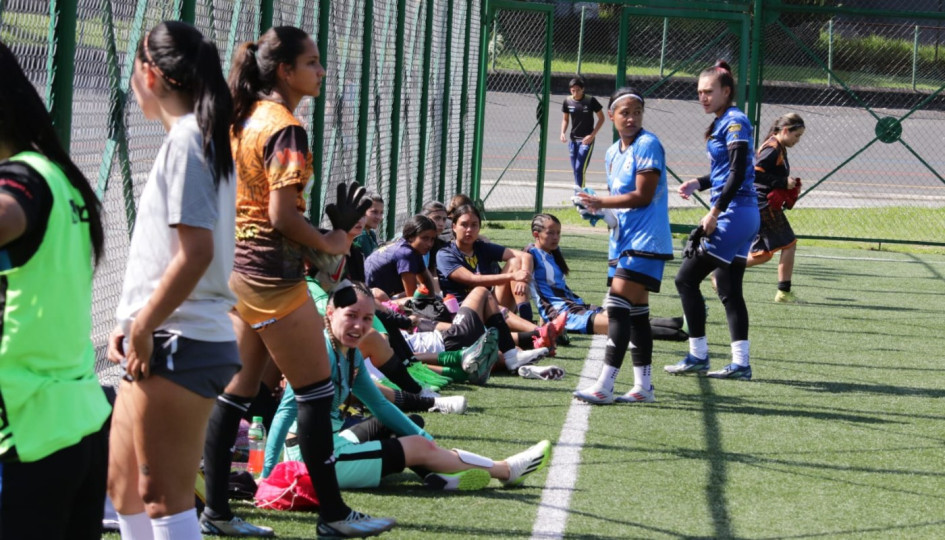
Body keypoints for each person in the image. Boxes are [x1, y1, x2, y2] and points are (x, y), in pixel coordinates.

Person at [199, 26, 393, 538]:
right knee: (315, 392)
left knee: (235, 396)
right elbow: (281, 215)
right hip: (272, 278)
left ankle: (216, 513)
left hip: (239, 271)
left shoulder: (245, 115)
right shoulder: (285, 127)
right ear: (285, 71)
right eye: (311, 62)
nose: (321, 71)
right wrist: (330, 242)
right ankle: (333, 516)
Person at [104, 21, 239, 540]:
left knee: (164, 499)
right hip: (163, 336)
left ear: (150, 75)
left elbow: (196, 254)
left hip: (182, 340)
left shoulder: (188, 141)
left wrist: (143, 325)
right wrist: (131, 321)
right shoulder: (190, 139)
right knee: (124, 490)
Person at [263, 282, 553, 491]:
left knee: (405, 428)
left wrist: (423, 436)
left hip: (333, 443)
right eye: (351, 315)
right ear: (330, 312)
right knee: (415, 445)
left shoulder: (350, 353)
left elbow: (379, 404)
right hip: (317, 461)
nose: (359, 326)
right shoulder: (318, 354)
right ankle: (505, 470)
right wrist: (266, 477)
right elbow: (284, 415)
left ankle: (439, 475)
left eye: (367, 318)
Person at [0, 41, 111, 540]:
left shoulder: (22, 177)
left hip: (28, 434)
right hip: (76, 421)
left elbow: (9, 211)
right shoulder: (58, 176)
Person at [570, 87, 674, 405]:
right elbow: (620, 203)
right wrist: (599, 212)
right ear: (612, 116)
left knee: (616, 307)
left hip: (646, 240)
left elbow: (643, 196)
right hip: (623, 241)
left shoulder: (648, 144)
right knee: (638, 314)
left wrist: (601, 201)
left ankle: (604, 385)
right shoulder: (612, 152)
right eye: (625, 113)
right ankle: (643, 387)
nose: (631, 118)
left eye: (636, 112)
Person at [667, 61, 760, 381]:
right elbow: (726, 171)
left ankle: (698, 355)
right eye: (699, 92)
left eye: (708, 91)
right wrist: (699, 183)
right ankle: (741, 364)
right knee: (729, 289)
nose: (702, 97)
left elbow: (738, 171)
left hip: (735, 213)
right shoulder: (724, 121)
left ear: (726, 91)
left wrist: (715, 212)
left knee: (685, 279)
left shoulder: (734, 121)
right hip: (743, 213)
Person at [527, 213, 687, 341]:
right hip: (563, 316)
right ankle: (681, 335)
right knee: (619, 326)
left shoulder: (553, 252)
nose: (556, 237)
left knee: (624, 317)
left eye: (558, 233)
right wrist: (530, 319)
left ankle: (681, 322)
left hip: (576, 306)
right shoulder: (529, 254)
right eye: (550, 233)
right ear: (536, 234)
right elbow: (522, 285)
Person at [437, 204, 547, 335]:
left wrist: (523, 280)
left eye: (474, 225)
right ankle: (538, 332)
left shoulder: (481, 247)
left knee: (515, 262)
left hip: (490, 305)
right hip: (464, 313)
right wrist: (513, 276)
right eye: (464, 225)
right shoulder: (445, 254)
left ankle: (527, 318)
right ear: (454, 227)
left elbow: (526, 256)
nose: (469, 230)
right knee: (491, 303)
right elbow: (472, 280)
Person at [747, 113, 806, 303]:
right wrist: (782, 182)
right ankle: (783, 292)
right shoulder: (772, 149)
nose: (798, 140)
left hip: (763, 202)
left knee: (763, 255)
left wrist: (787, 184)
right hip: (764, 202)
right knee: (789, 244)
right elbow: (754, 174)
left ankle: (723, 267)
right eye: (796, 135)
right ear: (785, 130)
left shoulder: (778, 146)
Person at [364, 214, 438, 298]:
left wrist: (433, 299)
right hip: (372, 298)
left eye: (432, 239)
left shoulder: (413, 250)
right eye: (425, 238)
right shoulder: (406, 254)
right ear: (411, 237)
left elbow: (426, 281)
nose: (429, 244)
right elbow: (412, 297)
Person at [560, 76, 604, 189]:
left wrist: (592, 135)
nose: (575, 93)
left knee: (580, 169)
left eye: (578, 90)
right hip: (573, 140)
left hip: (586, 141)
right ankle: (579, 194)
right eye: (573, 90)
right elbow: (565, 119)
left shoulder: (590, 100)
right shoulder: (567, 101)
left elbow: (601, 118)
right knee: (575, 170)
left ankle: (580, 195)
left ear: (583, 89)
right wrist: (562, 132)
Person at [353, 192, 384, 257]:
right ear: (362, 211)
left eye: (381, 213)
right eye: (374, 212)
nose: (379, 217)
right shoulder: (361, 235)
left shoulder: (371, 233)